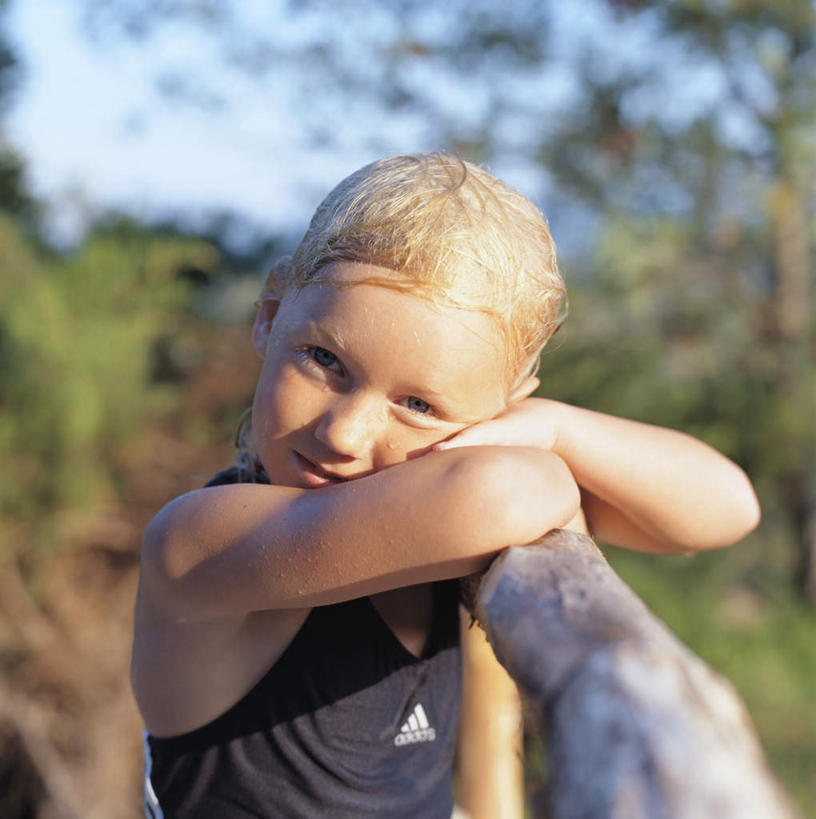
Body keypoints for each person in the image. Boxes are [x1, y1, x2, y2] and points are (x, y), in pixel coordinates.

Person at [131, 153, 760, 818]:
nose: (345, 432)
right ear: (268, 312)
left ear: (502, 410)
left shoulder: (440, 499)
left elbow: (725, 507)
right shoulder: (199, 544)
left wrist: (558, 427)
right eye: (324, 360)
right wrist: (532, 452)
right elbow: (509, 491)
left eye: (418, 405)